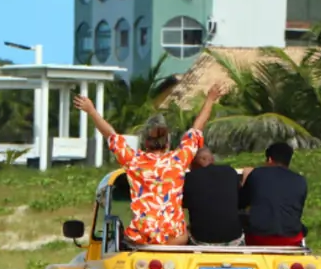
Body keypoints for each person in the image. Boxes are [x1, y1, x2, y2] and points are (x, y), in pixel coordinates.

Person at [72, 85, 224, 247]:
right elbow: (197, 127)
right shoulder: (178, 160)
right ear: (167, 143)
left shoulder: (134, 161)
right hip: (174, 238)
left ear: (145, 143)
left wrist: (92, 111)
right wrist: (210, 99)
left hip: (142, 236)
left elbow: (111, 135)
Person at [239, 141, 308, 247]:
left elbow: (241, 203)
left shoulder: (257, 174)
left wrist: (245, 179)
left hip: (259, 238)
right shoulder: (300, 181)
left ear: (270, 159)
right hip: (291, 238)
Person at [182, 147, 243, 246]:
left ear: (200, 160)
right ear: (212, 160)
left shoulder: (190, 178)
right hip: (233, 240)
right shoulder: (230, 172)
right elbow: (240, 200)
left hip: (201, 241)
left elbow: (182, 205)